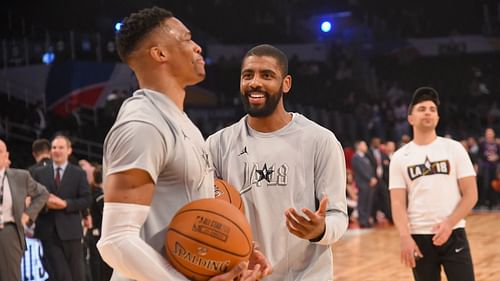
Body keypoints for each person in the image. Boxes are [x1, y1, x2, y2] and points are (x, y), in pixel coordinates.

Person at [96, 7, 270, 281]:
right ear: (160, 53)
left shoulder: (182, 122)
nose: (197, 47)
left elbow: (192, 221)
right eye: (187, 39)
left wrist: (235, 252)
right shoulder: (143, 125)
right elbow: (115, 241)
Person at [207, 44, 348, 280]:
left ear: (286, 83)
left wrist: (320, 230)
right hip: (245, 274)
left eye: (267, 75)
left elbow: (338, 215)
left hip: (306, 275)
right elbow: (209, 213)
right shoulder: (217, 144)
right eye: (247, 75)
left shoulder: (320, 140)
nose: (255, 83)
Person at [389, 87, 478, 281]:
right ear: (410, 118)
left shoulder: (454, 148)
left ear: (437, 117)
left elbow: (471, 193)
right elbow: (397, 203)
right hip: (419, 237)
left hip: (454, 232)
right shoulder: (399, 157)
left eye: (432, 109)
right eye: (422, 108)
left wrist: (449, 223)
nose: (428, 111)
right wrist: (405, 237)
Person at [32, 135, 92, 281]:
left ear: (69, 150)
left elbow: (86, 200)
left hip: (72, 232)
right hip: (48, 232)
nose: (57, 151)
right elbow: (33, 199)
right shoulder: (39, 173)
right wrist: (46, 204)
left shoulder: (78, 173)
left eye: (61, 147)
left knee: (77, 275)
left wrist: (66, 204)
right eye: (54, 147)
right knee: (60, 275)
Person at [0, 139, 49, 281]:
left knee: (10, 277)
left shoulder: (20, 176)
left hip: (8, 232)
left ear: (6, 155)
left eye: (0, 152)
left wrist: (28, 214)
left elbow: (43, 193)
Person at [351, 140, 377, 228]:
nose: (366, 147)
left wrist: (373, 178)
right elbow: (361, 171)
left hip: (369, 183)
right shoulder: (355, 157)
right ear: (359, 146)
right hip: (362, 183)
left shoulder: (365, 157)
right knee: (362, 202)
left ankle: (367, 219)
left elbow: (370, 169)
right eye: (364, 145)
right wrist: (370, 179)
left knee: (368, 202)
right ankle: (362, 220)